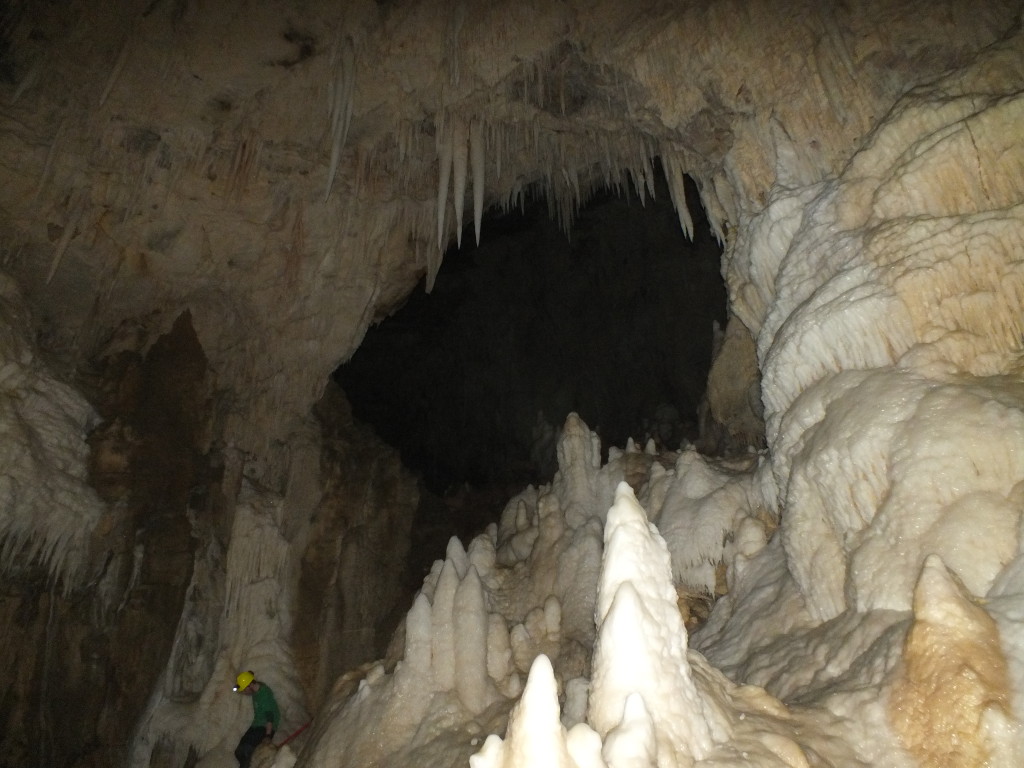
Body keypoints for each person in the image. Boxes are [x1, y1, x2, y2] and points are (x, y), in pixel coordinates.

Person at [233, 670, 281, 768]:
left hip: (265, 727)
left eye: (244, 690)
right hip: (257, 725)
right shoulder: (256, 691)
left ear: (249, 686)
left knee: (246, 750)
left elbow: (270, 716)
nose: (244, 693)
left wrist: (268, 736)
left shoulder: (264, 694)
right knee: (238, 752)